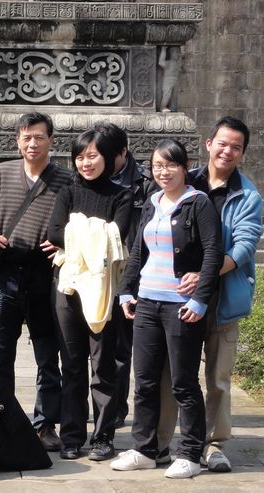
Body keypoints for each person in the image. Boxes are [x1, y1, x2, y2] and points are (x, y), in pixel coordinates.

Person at [156, 117, 264, 473]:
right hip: (178, 294)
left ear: (242, 153)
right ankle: (159, 441)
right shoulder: (184, 180)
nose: (227, 151)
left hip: (222, 295)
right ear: (208, 143)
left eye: (236, 147)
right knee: (171, 371)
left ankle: (213, 445)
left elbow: (244, 245)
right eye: (222, 143)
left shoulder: (247, 195)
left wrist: (204, 274)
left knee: (218, 376)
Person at [110, 139, 222, 479]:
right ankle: (145, 449)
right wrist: (126, 291)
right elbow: (138, 250)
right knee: (144, 381)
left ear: (185, 167)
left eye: (171, 165)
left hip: (181, 306)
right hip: (147, 302)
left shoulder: (198, 203)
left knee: (184, 383)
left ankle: (189, 453)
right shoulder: (153, 202)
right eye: (157, 166)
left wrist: (200, 298)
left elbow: (213, 252)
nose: (163, 171)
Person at [0, 112, 71, 451]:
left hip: (46, 275)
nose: (33, 144)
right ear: (17, 140)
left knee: (47, 355)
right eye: (26, 137)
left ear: (51, 141)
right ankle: (4, 421)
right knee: (0, 353)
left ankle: (45, 425)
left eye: (39, 137)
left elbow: (81, 223)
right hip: (5, 273)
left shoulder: (66, 180)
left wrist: (65, 243)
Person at [47, 129, 134, 461]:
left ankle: (103, 437)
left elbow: (119, 234)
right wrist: (96, 231)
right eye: (80, 157)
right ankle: (71, 436)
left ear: (108, 158)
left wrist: (76, 229)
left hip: (104, 288)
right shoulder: (67, 192)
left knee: (103, 365)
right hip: (68, 287)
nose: (86, 163)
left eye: (93, 156)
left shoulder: (122, 195)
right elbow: (55, 232)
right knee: (71, 364)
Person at [97, 122, 156, 428]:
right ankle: (98, 406)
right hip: (96, 273)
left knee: (121, 347)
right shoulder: (90, 176)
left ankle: (117, 410)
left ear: (123, 152)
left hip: (131, 273)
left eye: (108, 156)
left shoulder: (145, 183)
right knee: (95, 346)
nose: (100, 161)